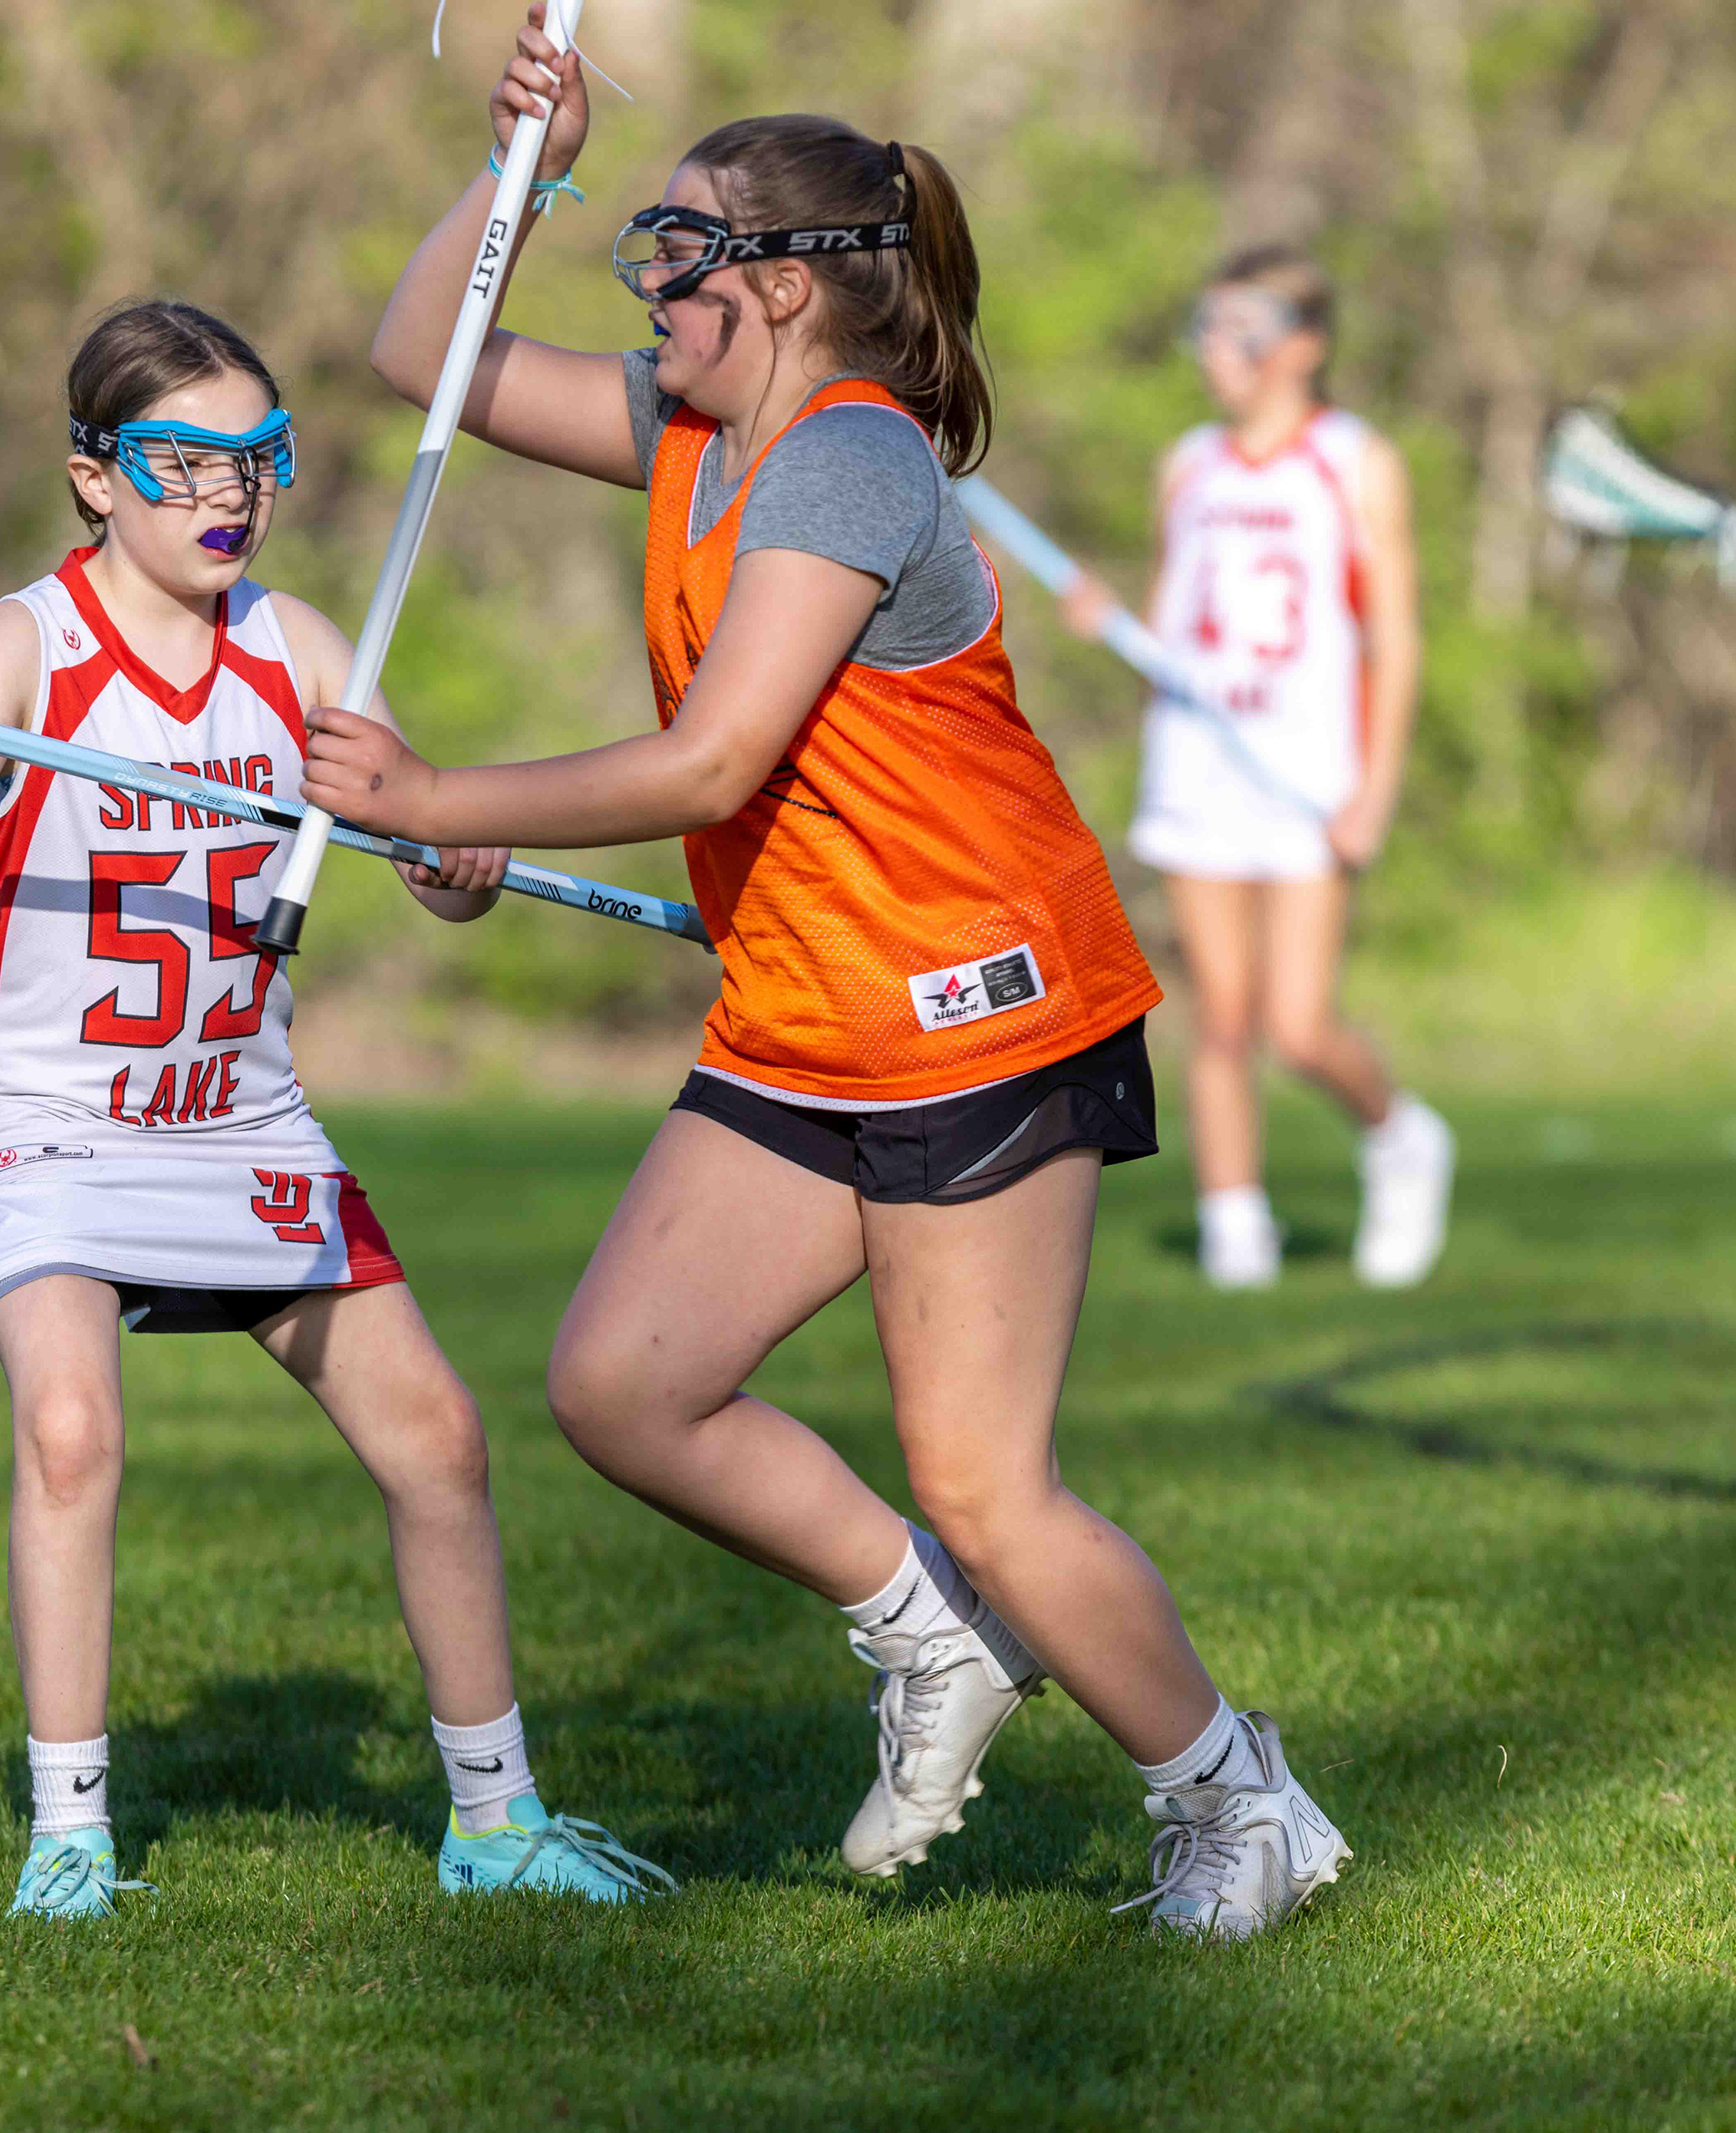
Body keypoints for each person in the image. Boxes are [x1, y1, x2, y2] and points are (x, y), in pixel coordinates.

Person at [307, 6, 1349, 1939]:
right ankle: (928, 1630)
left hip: (978, 1011)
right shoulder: (687, 428)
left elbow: (713, 758)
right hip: (807, 1011)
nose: (650, 284)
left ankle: (1237, 1797)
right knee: (625, 1380)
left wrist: (444, 792)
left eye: (679, 247)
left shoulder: (850, 459)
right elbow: (417, 355)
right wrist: (523, 174)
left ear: (784, 282)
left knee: (988, 1478)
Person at [0, 298, 669, 1918]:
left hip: (239, 1112)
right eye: (182, 462)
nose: (225, 494)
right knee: (72, 1431)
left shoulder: (299, 648)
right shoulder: (20, 650)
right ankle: (70, 1840)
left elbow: (432, 866)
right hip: (42, 1106)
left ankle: (497, 1821)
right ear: (95, 475)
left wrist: (457, 853)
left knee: (439, 1439)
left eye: (256, 459)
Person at [1058, 247, 1451, 1291]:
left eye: (1243, 329)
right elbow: (1175, 620)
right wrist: (1114, 624)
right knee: (1219, 1015)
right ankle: (1235, 1229)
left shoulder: (1356, 461)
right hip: (1198, 766)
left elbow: (1395, 636)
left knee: (1299, 1025)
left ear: (1305, 346)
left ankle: (1402, 1135)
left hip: (1307, 774)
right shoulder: (1187, 464)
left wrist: (1375, 787)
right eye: (1207, 326)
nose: (1215, 350)